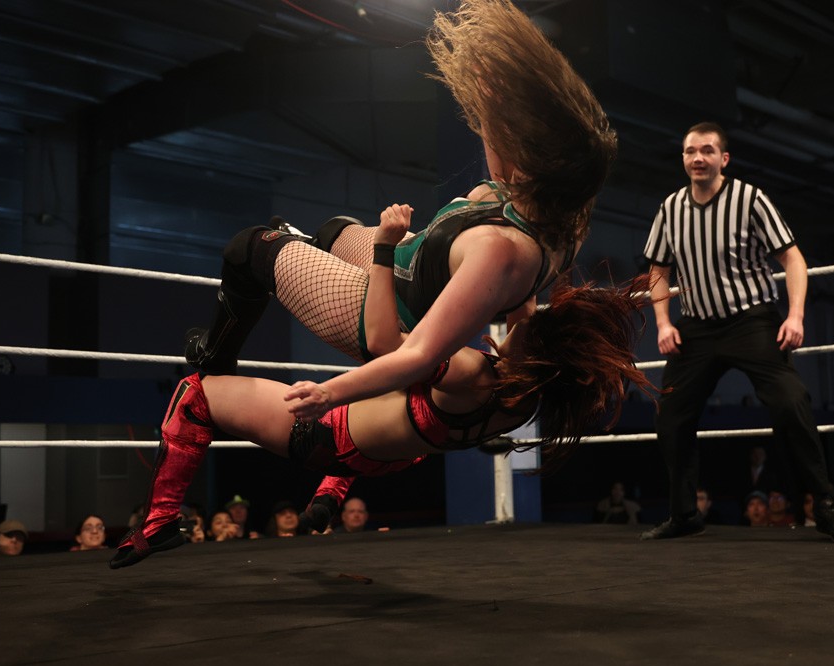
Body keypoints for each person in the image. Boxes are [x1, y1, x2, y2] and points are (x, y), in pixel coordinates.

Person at [183, 0, 617, 426]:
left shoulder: (501, 251)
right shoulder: (562, 222)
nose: (498, 141)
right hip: (415, 263)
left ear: (532, 167)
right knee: (334, 232)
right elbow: (521, 290)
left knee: (250, 249)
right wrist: (492, 88)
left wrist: (330, 393)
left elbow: (417, 354)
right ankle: (301, 253)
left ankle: (214, 354)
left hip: (393, 315)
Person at [110, 250, 659, 567]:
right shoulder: (526, 399)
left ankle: (158, 523)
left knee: (196, 394)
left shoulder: (472, 372)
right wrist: (539, 269)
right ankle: (330, 494)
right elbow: (524, 321)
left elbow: (384, 343)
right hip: (385, 459)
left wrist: (384, 248)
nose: (516, 323)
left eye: (527, 327)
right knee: (390, 402)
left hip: (326, 437)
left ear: (535, 350)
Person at [638, 121, 834, 544]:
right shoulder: (670, 208)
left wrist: (795, 316)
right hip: (697, 327)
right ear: (683, 158)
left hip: (751, 320)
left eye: (707, 150)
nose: (698, 158)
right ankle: (684, 513)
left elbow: (793, 260)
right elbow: (658, 271)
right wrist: (664, 323)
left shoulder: (750, 199)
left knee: (791, 401)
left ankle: (825, 505)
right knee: (670, 413)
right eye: (690, 151)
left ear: (723, 159)